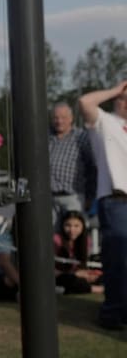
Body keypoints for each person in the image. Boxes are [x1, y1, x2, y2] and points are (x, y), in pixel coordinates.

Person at [79, 80, 127, 331]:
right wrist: (116, 90)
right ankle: (112, 312)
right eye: (123, 97)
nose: (125, 101)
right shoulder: (105, 122)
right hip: (116, 199)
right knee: (117, 258)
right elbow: (86, 102)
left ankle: (121, 309)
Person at [49, 101, 96, 225]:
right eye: (56, 118)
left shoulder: (81, 137)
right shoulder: (47, 137)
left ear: (71, 119)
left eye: (63, 118)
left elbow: (92, 167)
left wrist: (90, 197)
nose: (59, 121)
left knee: (74, 236)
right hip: (49, 198)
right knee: (51, 238)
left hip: (73, 197)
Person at [55, 210, 101, 295]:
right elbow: (51, 271)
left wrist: (89, 274)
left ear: (82, 227)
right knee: (72, 281)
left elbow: (83, 266)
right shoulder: (56, 240)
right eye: (68, 225)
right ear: (62, 226)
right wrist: (75, 274)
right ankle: (99, 289)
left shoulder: (86, 241)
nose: (72, 229)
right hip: (61, 276)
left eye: (76, 226)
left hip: (80, 275)